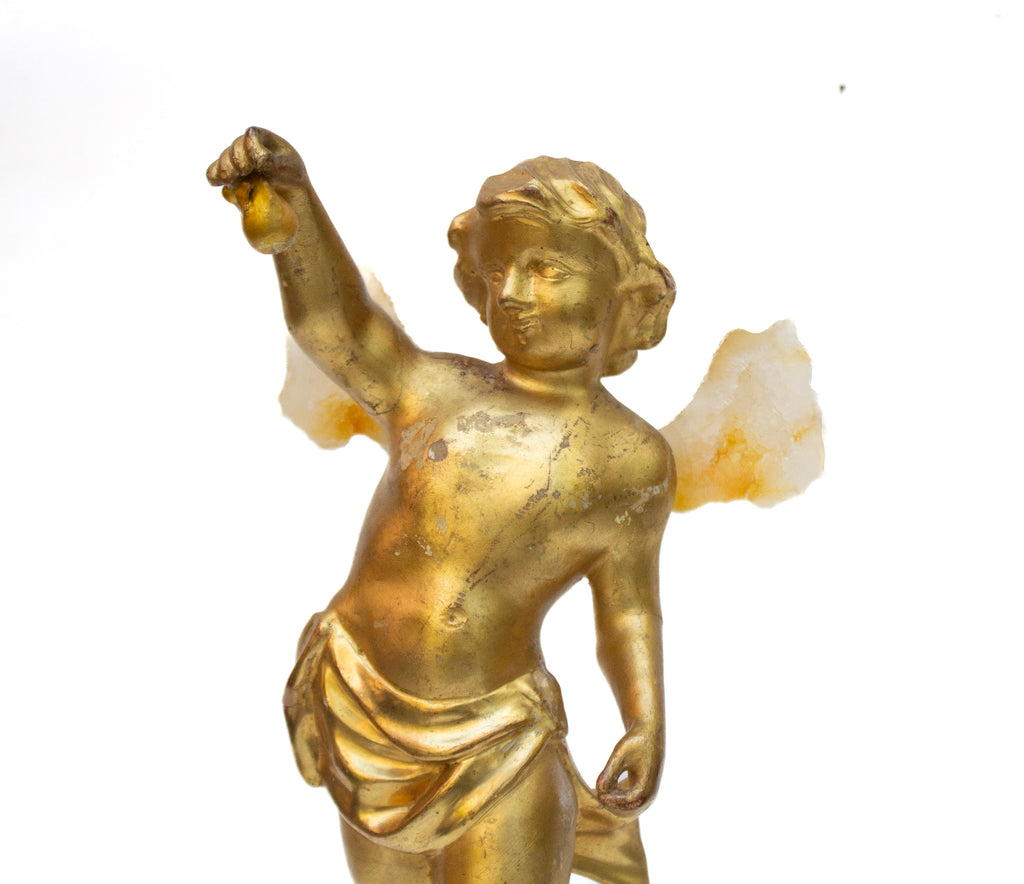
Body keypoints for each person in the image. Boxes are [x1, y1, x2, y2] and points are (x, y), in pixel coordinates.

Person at [207, 128, 677, 884]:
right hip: (363, 717)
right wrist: (296, 207)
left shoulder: (631, 458)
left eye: (544, 268)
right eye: (496, 270)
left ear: (620, 290)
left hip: (498, 745)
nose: (511, 293)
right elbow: (337, 328)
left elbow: (627, 610)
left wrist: (644, 719)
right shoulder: (436, 389)